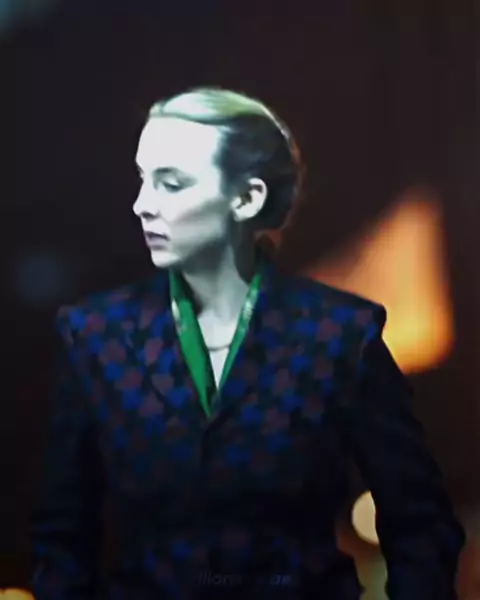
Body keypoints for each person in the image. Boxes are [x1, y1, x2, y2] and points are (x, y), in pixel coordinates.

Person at [30, 86, 465, 600]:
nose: (142, 205)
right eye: (143, 179)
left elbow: (419, 521)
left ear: (247, 198)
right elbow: (61, 537)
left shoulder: (340, 334)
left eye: (170, 183)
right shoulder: (95, 336)